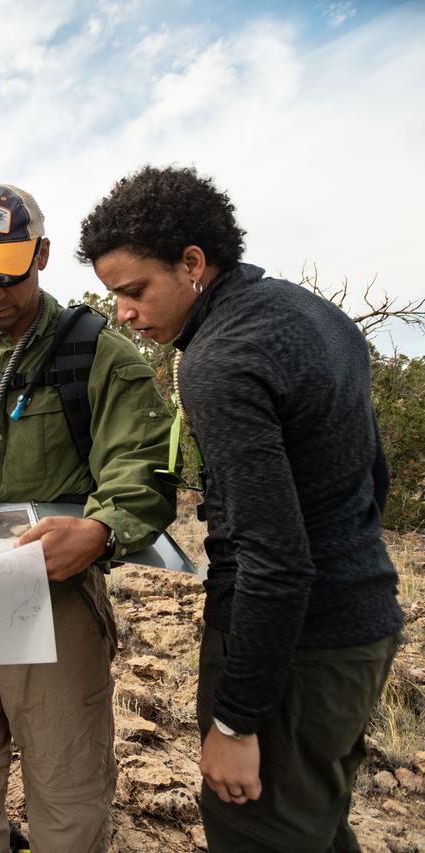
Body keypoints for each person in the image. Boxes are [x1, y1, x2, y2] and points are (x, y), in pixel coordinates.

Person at [79, 165, 403, 852]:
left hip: (295, 650)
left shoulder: (219, 359)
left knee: (262, 833)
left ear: (193, 263)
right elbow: (372, 473)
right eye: (113, 296)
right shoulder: (316, 315)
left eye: (134, 291)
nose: (124, 314)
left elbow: (276, 558)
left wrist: (235, 721)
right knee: (315, 821)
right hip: (365, 622)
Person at [0, 182, 176, 853]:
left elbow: (144, 470)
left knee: (68, 786)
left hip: (56, 598)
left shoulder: (96, 352)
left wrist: (100, 530)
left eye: (8, 276)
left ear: (42, 255)